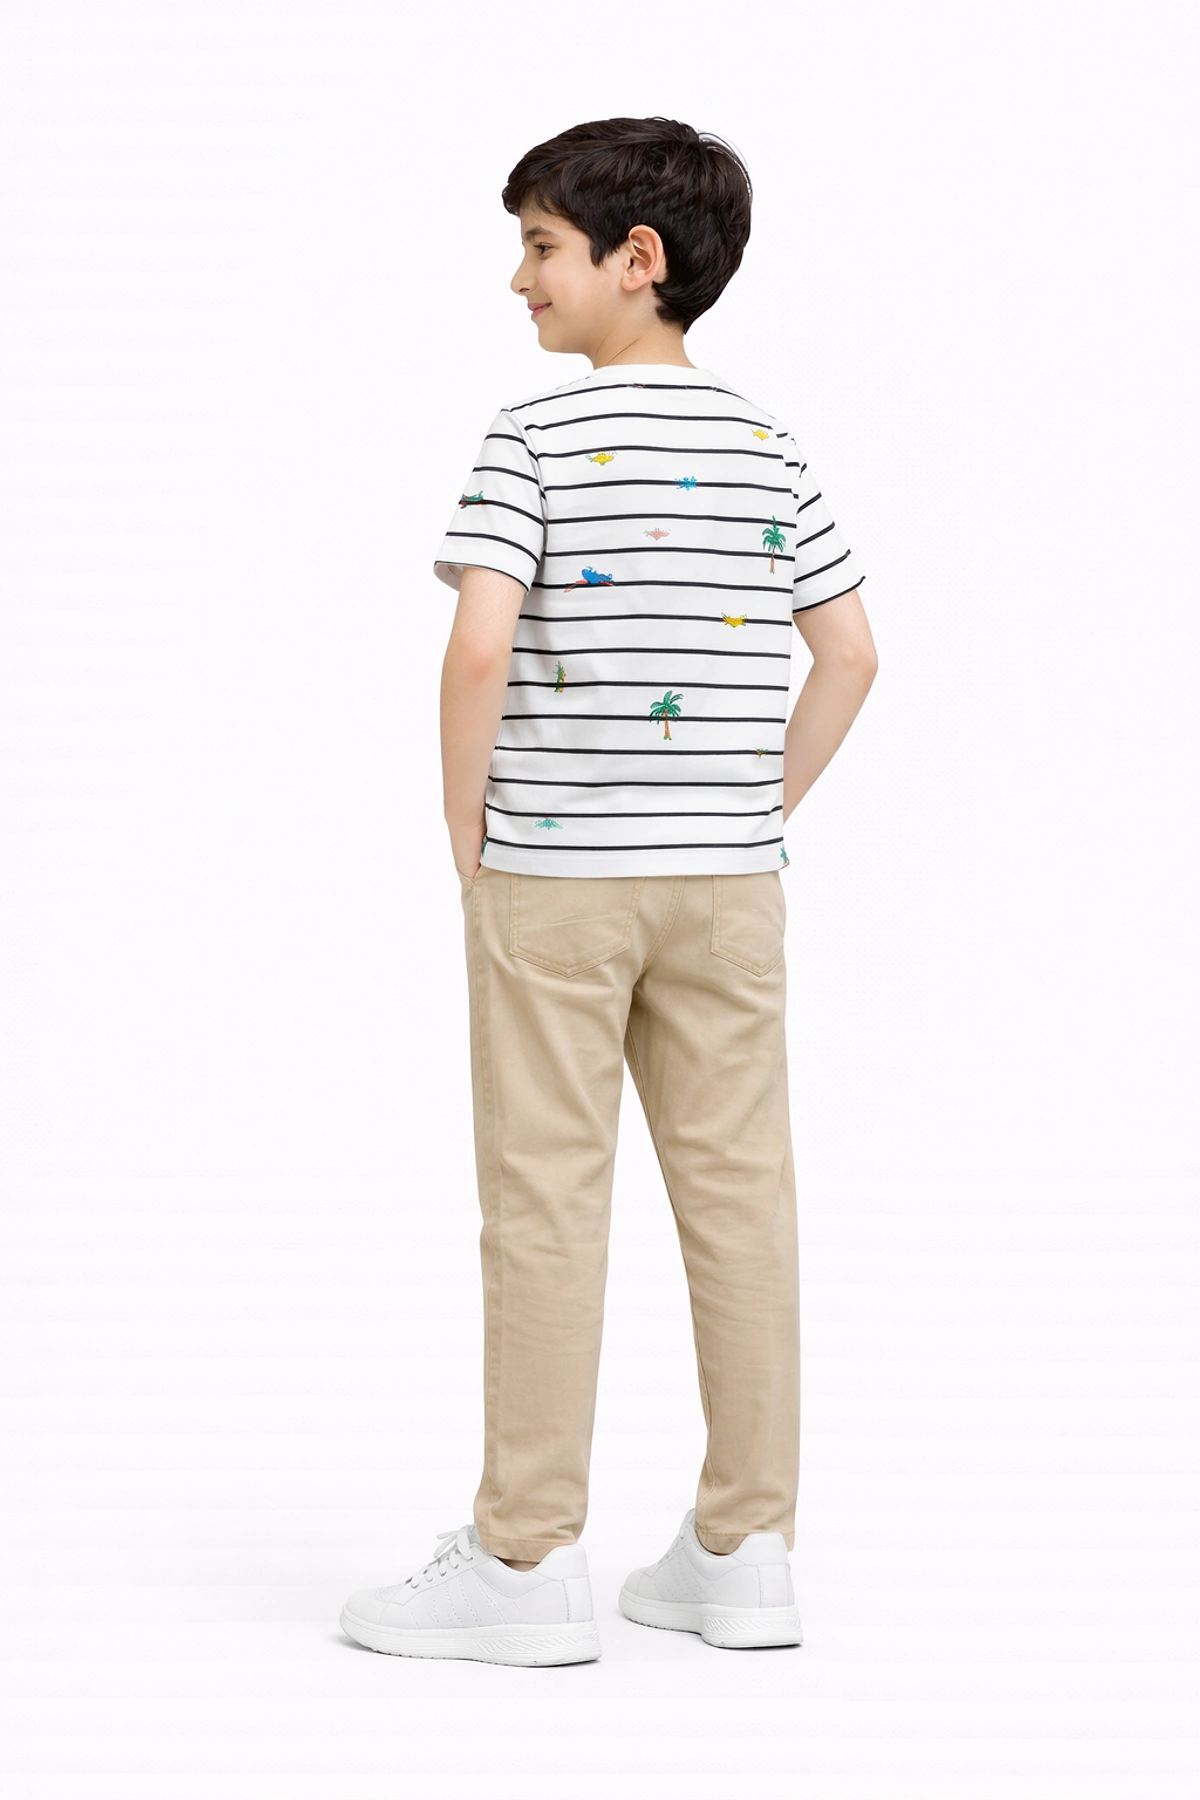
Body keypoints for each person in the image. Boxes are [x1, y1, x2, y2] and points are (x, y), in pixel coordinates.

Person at [340, 116, 877, 1666]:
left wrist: (468, 834)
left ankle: (523, 1563)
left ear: (638, 261)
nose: (518, 280)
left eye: (540, 247)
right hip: (729, 887)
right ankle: (746, 1551)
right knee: (743, 1197)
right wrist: (752, 806)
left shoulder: (531, 438)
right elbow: (851, 655)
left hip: (557, 884)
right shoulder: (771, 446)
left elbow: (479, 648)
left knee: (544, 1202)